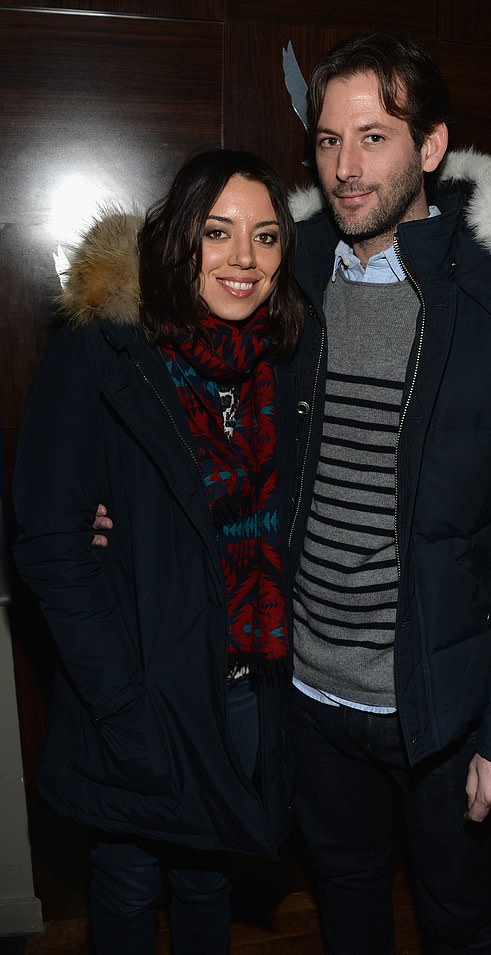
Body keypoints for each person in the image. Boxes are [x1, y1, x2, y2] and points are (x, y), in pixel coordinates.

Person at [284, 32, 491, 954]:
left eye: (374, 137)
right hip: (309, 699)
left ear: (430, 147)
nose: (345, 168)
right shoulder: (288, 287)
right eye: (327, 140)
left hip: (444, 710)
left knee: (462, 921)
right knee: (344, 905)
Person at [12, 149, 303, 955]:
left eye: (267, 236)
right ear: (180, 239)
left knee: (211, 876)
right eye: (220, 232)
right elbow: (48, 544)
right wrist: (121, 700)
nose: (245, 258)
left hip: (244, 689)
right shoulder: (105, 357)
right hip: (137, 687)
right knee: (131, 880)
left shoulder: (284, 368)